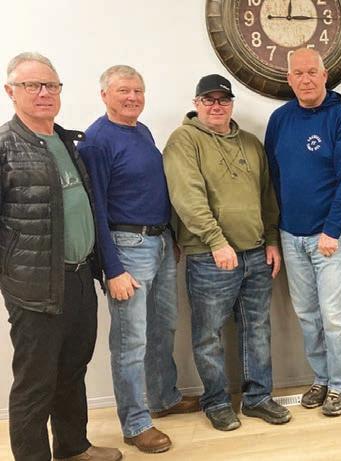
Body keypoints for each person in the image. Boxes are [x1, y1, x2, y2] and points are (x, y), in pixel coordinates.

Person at [1, 52, 122, 461]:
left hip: (79, 278)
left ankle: (73, 447)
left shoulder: (67, 141)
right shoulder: (5, 146)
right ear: (10, 91)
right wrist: (13, 276)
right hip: (35, 288)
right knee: (35, 383)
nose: (44, 93)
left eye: (51, 85)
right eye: (32, 85)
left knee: (73, 370)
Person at [78, 65, 199, 453]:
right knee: (130, 341)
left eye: (138, 91)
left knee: (163, 327)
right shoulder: (96, 142)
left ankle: (163, 397)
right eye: (123, 91)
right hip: (127, 247)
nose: (133, 97)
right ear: (104, 95)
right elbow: (95, 209)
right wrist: (111, 268)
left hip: (159, 242)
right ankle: (135, 423)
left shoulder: (141, 130)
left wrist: (170, 238)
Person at [163, 74, 289, 430]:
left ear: (232, 104)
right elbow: (187, 197)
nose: (216, 106)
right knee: (209, 335)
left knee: (257, 329)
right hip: (210, 256)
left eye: (223, 100)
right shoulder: (183, 140)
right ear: (196, 103)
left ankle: (258, 398)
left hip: (256, 253)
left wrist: (271, 239)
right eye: (209, 100)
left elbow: (267, 196)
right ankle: (217, 402)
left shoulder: (250, 143)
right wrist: (216, 241)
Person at [265, 48, 341, 416]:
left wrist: (332, 229)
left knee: (335, 316)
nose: (305, 79)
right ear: (289, 79)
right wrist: (277, 233)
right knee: (308, 315)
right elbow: (273, 178)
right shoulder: (280, 119)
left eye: (312, 72)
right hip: (291, 237)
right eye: (298, 73)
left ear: (325, 76)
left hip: (332, 239)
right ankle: (321, 378)